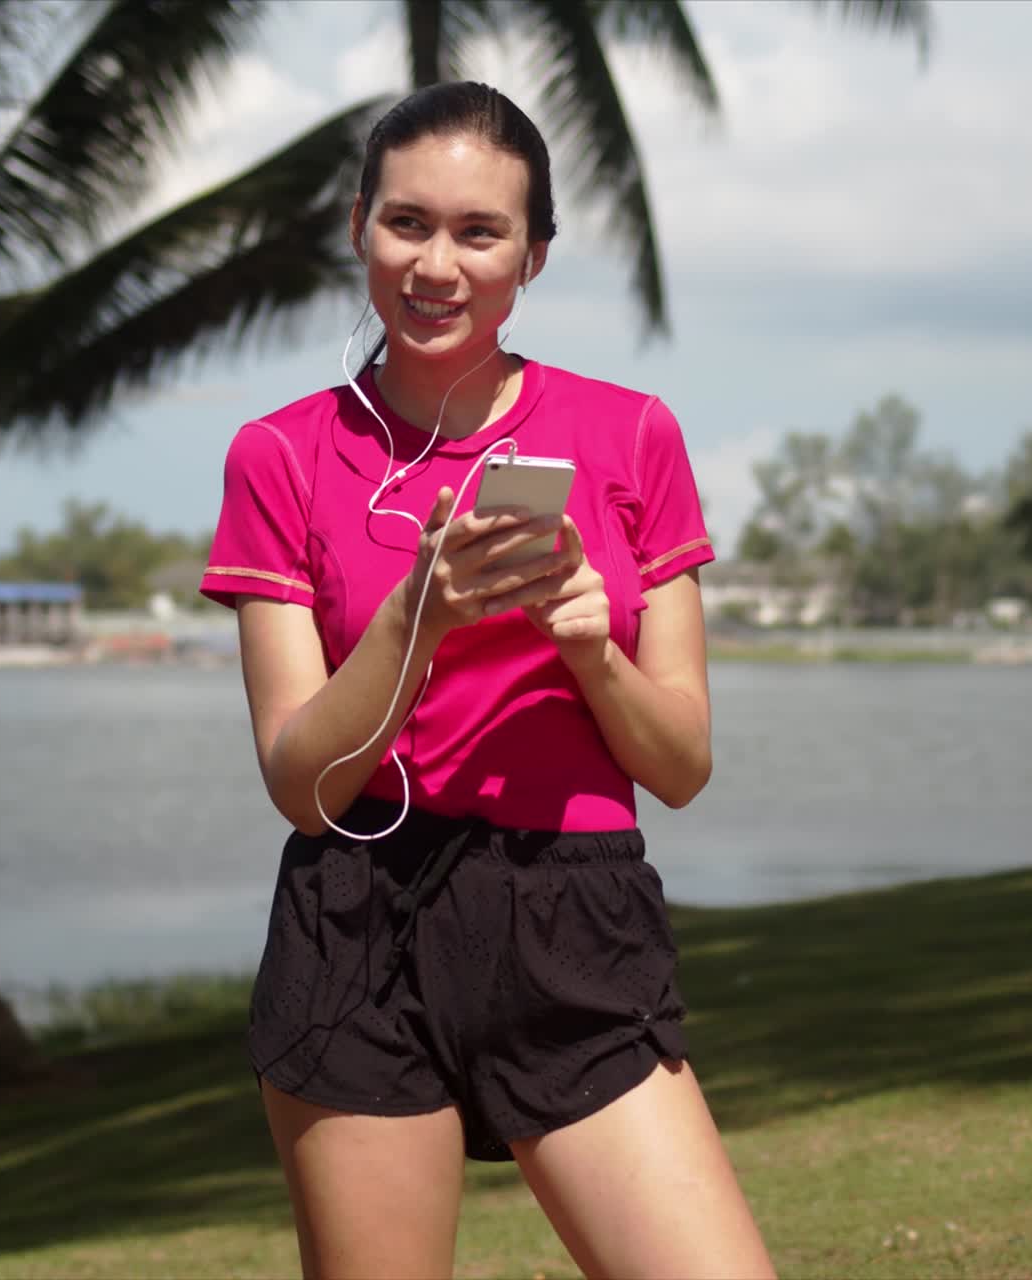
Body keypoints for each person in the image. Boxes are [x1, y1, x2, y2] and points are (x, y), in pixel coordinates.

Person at [200, 80, 775, 1280]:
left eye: (479, 232)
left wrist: (588, 647)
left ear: (534, 255)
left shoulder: (630, 435)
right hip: (353, 918)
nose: (436, 264)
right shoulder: (280, 455)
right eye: (406, 222)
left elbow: (679, 765)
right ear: (357, 225)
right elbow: (301, 784)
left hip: (574, 913)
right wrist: (416, 617)